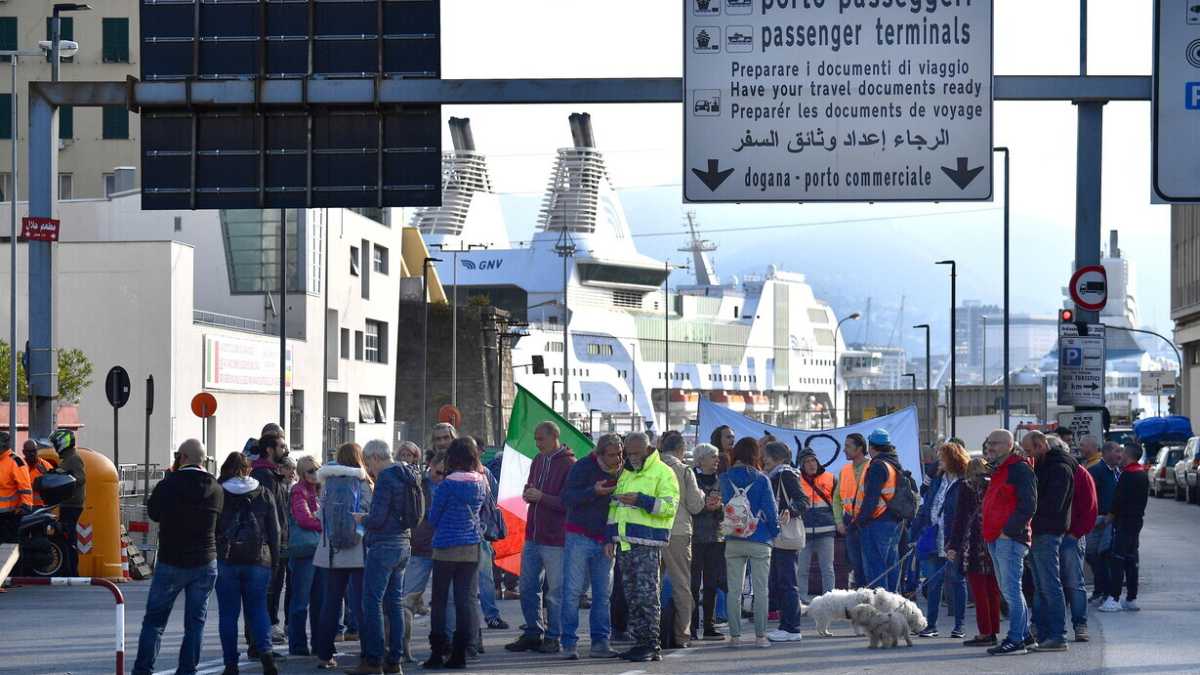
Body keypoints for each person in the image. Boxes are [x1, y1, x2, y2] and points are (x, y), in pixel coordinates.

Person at [132, 440, 222, 675]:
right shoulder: (215, 488)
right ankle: (187, 670)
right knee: (195, 623)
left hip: (172, 560)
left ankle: (143, 670)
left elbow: (153, 513)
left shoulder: (168, 484)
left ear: (182, 457)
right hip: (205, 560)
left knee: (155, 622)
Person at [607, 430, 680, 663]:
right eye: (629, 453)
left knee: (648, 596)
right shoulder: (626, 472)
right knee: (632, 596)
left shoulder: (664, 472)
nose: (631, 457)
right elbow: (614, 508)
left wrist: (641, 500)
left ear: (649, 449)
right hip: (625, 543)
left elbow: (669, 507)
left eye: (636, 452)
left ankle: (651, 644)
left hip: (648, 543)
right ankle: (639, 642)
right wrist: (610, 537)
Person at [505, 421, 576, 655]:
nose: (537, 444)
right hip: (533, 535)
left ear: (554, 437)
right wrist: (528, 492)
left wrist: (541, 496)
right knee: (527, 587)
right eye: (535, 439)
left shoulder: (569, 464)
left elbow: (568, 503)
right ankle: (533, 632)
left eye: (540, 439)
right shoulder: (538, 460)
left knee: (555, 591)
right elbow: (531, 487)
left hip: (555, 539)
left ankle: (554, 636)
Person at [353, 439, 422, 674]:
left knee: (371, 602)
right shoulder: (408, 473)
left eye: (368, 463)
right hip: (404, 542)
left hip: (384, 546)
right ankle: (395, 661)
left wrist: (363, 519)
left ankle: (373, 661)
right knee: (394, 603)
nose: (369, 470)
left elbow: (378, 517)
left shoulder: (386, 477)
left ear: (374, 458)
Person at [424, 437, 488, 670]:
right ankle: (460, 654)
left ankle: (437, 653)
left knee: (440, 601)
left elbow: (433, 518)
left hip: (445, 547)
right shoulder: (481, 482)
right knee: (463, 602)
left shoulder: (447, 485)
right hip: (471, 547)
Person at [214, 452, 280, 675]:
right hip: (258, 559)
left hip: (227, 559)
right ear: (247, 469)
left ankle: (230, 664)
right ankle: (267, 656)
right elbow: (275, 530)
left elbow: (212, 527)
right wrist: (275, 560)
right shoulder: (263, 492)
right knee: (258, 609)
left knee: (228, 614)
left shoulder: (219, 492)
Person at [560, 432, 624, 660]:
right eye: (612, 455)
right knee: (573, 592)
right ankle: (568, 643)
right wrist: (593, 491)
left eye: (619, 453)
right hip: (579, 536)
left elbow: (618, 510)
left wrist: (611, 538)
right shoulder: (583, 467)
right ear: (599, 453)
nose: (617, 459)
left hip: (606, 540)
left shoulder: (623, 472)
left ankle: (600, 642)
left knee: (602, 594)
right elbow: (566, 497)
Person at [313, 443, 374, 670]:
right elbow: (368, 514)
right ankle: (368, 652)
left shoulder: (327, 482)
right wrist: (358, 535)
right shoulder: (363, 482)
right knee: (361, 604)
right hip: (358, 553)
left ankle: (324, 655)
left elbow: (321, 516)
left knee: (330, 604)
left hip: (330, 552)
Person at [981, 429, 1036, 657]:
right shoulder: (1000, 470)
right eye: (988, 443)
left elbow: (1028, 505)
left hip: (1009, 539)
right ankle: (1023, 636)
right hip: (997, 538)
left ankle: (1015, 640)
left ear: (1007, 445)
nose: (989, 447)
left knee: (1012, 591)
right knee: (1008, 590)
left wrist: (1008, 531)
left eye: (993, 443)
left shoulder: (1019, 469)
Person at [720, 438, 780, 650]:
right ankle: (760, 637)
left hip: (733, 539)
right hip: (760, 538)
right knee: (761, 590)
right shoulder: (761, 479)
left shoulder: (725, 478)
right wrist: (776, 533)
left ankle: (735, 637)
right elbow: (771, 511)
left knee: (734, 591)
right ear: (755, 455)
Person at [1022, 430, 1076, 653]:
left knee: (1049, 585)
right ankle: (1045, 634)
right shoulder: (1046, 465)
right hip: (1040, 531)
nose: (1027, 455)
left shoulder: (1058, 468)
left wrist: (1030, 513)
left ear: (1041, 445)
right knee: (1041, 586)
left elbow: (1052, 503)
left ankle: (1057, 635)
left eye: (1029, 450)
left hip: (1047, 532)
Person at [915, 442, 969, 639]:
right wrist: (918, 530)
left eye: (942, 456)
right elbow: (927, 503)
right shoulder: (937, 480)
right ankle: (931, 625)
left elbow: (964, 514)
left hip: (952, 538)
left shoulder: (964, 482)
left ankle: (959, 625)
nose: (939, 460)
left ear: (952, 458)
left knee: (956, 580)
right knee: (933, 581)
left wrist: (959, 541)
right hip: (933, 536)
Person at [657, 430, 706, 649]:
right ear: (680, 450)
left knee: (650, 585)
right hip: (677, 531)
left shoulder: (651, 468)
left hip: (650, 531)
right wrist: (703, 495)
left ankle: (650, 631)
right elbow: (695, 505)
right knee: (681, 584)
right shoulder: (683, 470)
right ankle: (681, 635)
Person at [946, 457, 999, 647]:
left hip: (974, 543)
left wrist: (953, 545)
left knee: (979, 591)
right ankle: (993, 630)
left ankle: (985, 632)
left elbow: (959, 518)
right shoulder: (994, 484)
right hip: (993, 541)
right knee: (993, 589)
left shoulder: (966, 487)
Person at [251, 433, 292, 647]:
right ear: (269, 449)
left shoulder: (270, 474)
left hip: (276, 540)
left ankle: (263, 636)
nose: (285, 450)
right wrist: (277, 541)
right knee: (267, 589)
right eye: (281, 446)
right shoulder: (264, 475)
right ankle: (262, 636)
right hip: (269, 542)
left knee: (273, 587)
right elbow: (270, 512)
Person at [763, 441, 806, 643]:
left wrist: (790, 510)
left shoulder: (786, 474)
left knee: (787, 582)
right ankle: (785, 626)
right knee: (781, 582)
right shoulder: (776, 475)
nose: (764, 460)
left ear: (778, 457)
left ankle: (792, 627)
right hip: (778, 536)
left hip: (785, 535)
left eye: (767, 456)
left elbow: (802, 500)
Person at [851, 429, 904, 592]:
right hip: (893, 521)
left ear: (871, 446)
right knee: (890, 566)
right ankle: (894, 606)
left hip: (877, 522)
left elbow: (871, 498)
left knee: (876, 569)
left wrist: (859, 521)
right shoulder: (893, 464)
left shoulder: (878, 466)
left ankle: (882, 612)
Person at [1099, 443, 1149, 613]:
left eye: (1123, 453)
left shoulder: (1127, 475)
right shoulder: (1142, 473)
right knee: (1132, 559)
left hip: (1124, 522)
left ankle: (1114, 598)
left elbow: (1118, 500)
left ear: (1128, 455)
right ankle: (1131, 597)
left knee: (1117, 559)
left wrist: (1108, 518)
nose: (1121, 456)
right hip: (1136, 521)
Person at [1060, 435, 1097, 643]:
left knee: (1074, 582)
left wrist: (1075, 534)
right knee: (1048, 584)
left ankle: (1080, 624)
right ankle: (1045, 625)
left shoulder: (1080, 474)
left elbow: (1090, 509)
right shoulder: (1042, 471)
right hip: (1050, 536)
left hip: (1071, 536)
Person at [286, 455, 324, 657]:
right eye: (310, 470)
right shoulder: (297, 491)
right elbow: (304, 519)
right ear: (301, 473)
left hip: (321, 551)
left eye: (317, 469)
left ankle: (319, 643)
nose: (314, 473)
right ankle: (298, 644)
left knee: (320, 601)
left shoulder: (321, 490)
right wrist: (325, 524)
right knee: (300, 602)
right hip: (305, 552)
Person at [689, 443, 726, 642]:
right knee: (693, 584)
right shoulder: (692, 479)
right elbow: (688, 505)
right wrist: (706, 507)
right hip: (695, 537)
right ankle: (692, 626)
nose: (717, 460)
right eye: (713, 457)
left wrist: (720, 507)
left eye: (717, 457)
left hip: (716, 537)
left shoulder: (722, 481)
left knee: (712, 583)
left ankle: (709, 626)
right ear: (701, 459)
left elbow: (728, 508)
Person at [404, 453, 444, 618]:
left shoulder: (450, 485)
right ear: (431, 468)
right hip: (421, 547)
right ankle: (397, 638)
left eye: (445, 473)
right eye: (438, 472)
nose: (441, 477)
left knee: (445, 600)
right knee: (407, 599)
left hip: (444, 548)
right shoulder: (419, 485)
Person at [795, 448, 836, 600]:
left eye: (813, 460)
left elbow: (837, 504)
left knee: (827, 569)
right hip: (803, 532)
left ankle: (829, 599)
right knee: (802, 569)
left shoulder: (830, 478)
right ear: (801, 465)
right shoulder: (795, 479)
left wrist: (838, 523)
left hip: (826, 531)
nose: (811, 464)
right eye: (806, 462)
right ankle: (802, 599)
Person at [832, 432, 870, 586]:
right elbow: (836, 499)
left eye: (848, 446)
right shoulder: (845, 470)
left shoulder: (872, 466)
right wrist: (839, 521)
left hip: (868, 521)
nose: (844, 450)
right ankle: (862, 597)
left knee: (870, 564)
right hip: (850, 522)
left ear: (860, 448)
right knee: (856, 564)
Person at [1087, 441, 1122, 603]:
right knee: (1092, 555)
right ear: (1106, 453)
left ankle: (1104, 591)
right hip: (1098, 520)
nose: (1120, 455)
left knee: (1105, 555)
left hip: (1112, 520)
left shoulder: (1117, 472)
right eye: (1116, 451)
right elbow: (1089, 496)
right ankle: (1100, 589)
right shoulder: (1096, 471)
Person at [48, 429, 86, 576]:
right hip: (67, 505)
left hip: (72, 506)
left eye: (56, 444)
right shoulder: (67, 459)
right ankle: (68, 570)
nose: (55, 447)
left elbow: (81, 478)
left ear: (63, 443)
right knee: (65, 538)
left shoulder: (74, 459)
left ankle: (72, 572)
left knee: (69, 539)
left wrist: (64, 477)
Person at [0, 432, 32, 542]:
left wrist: (26, 506)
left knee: (8, 548)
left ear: (4, 445)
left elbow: (24, 486)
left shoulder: (16, 461)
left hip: (9, 516)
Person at [21, 439, 52, 508]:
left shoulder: (46, 466)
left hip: (42, 507)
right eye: (29, 451)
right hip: (24, 507)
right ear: (24, 452)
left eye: (34, 451)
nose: (32, 454)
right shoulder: (18, 466)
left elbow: (54, 484)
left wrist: (46, 474)